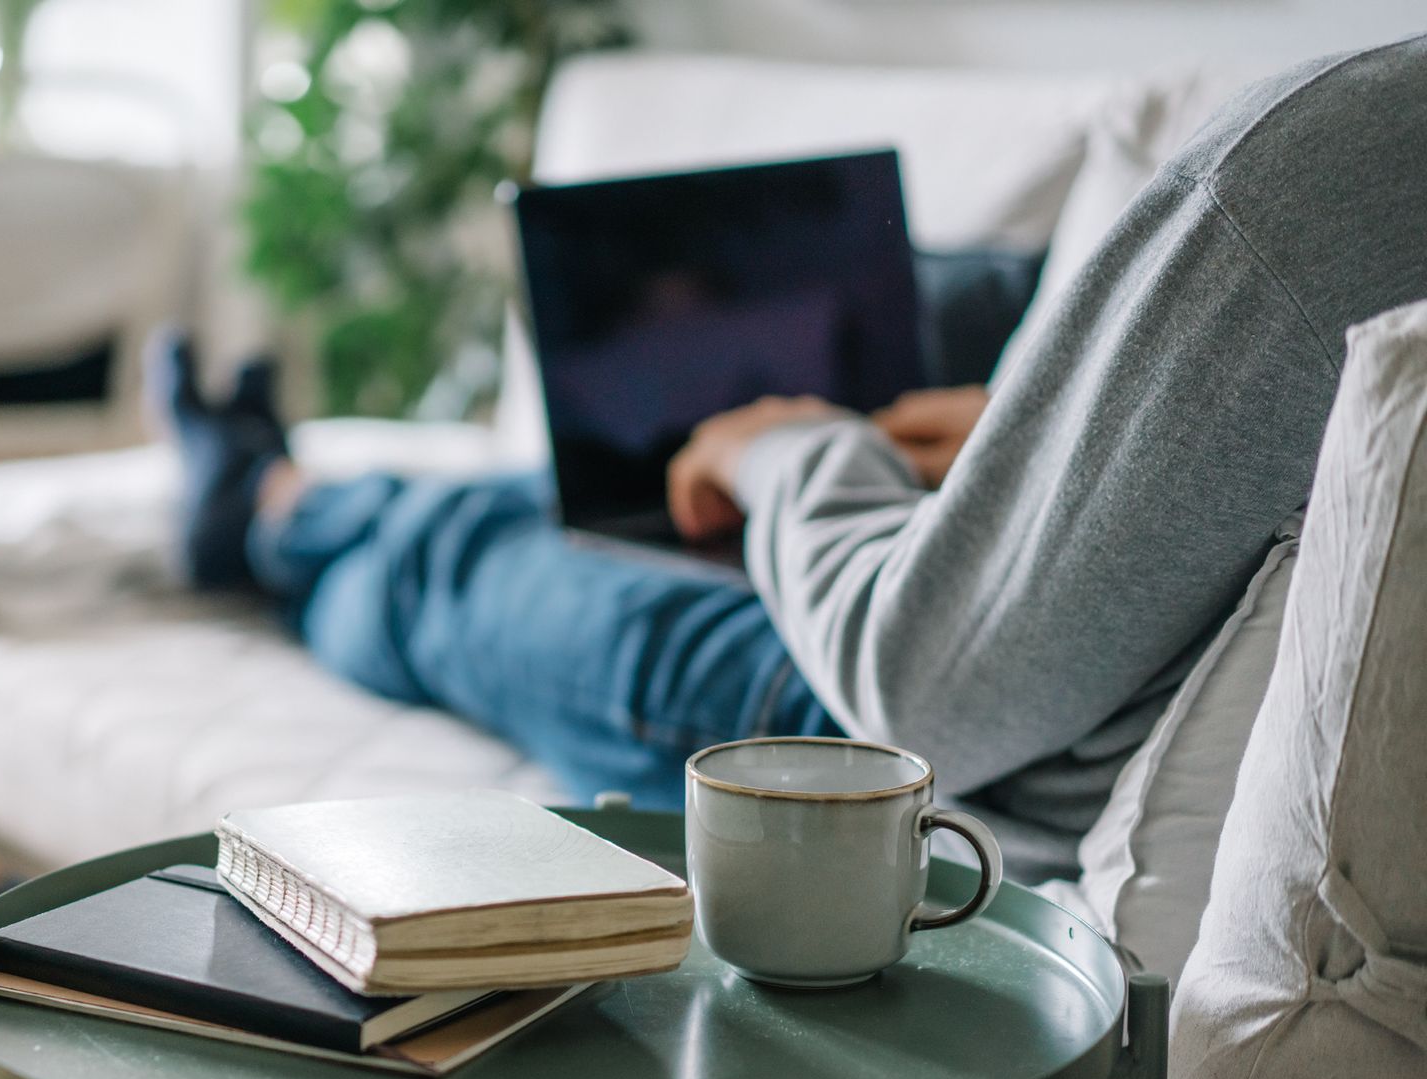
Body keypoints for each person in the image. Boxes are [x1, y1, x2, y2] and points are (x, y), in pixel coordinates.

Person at [169, 36, 1427, 882]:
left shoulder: (1347, 165)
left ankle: (264, 510)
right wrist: (1024, 429)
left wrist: (788, 445)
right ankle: (282, 494)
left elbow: (925, 688)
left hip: (915, 755)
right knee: (547, 504)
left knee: (450, 563)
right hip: (1019, 664)